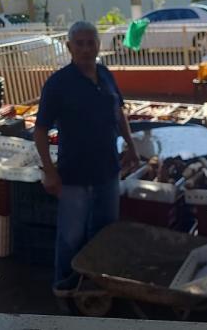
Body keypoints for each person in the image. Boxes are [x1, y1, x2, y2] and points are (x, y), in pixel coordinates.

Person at [34, 21, 138, 292]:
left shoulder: (105, 75)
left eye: (90, 42)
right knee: (71, 236)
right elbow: (40, 130)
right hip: (73, 175)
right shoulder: (58, 83)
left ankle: (98, 281)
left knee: (105, 231)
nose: (85, 48)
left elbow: (119, 113)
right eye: (79, 43)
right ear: (69, 47)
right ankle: (65, 286)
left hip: (107, 170)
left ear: (98, 45)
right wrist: (49, 170)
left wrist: (131, 145)